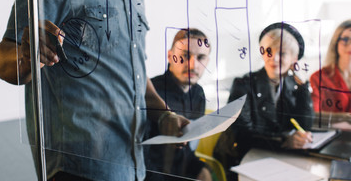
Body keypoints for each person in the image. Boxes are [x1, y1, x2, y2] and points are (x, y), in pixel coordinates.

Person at [0, 0, 189, 180]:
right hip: (77, 171)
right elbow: (4, 58)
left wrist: (164, 115)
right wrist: (27, 56)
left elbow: (134, 74)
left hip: (131, 168)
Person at [213, 22, 314, 180]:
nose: (274, 58)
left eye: (282, 53)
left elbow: (305, 125)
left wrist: (303, 88)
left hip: (277, 159)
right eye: (269, 51)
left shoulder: (292, 84)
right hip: (242, 158)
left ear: (294, 59)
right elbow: (244, 134)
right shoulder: (243, 84)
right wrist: (284, 140)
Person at [144, 28, 212, 181]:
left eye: (201, 57)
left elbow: (188, 148)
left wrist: (199, 168)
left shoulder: (199, 94)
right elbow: (143, 156)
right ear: (170, 56)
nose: (193, 65)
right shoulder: (150, 94)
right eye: (185, 56)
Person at [310, 20, 351, 113]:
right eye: (345, 39)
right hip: (329, 128)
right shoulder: (319, 78)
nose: (350, 46)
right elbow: (314, 117)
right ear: (336, 43)